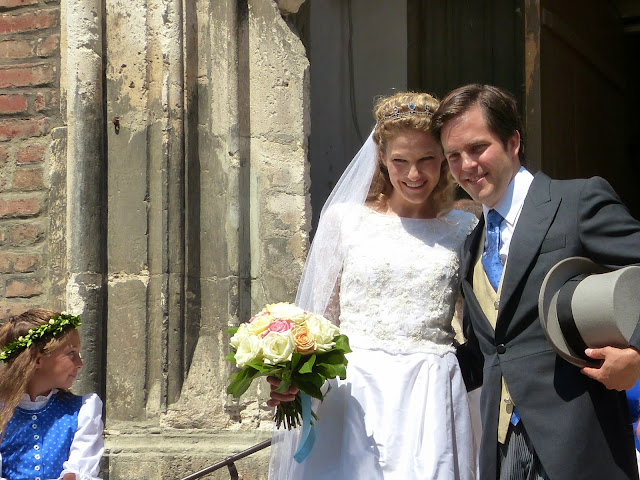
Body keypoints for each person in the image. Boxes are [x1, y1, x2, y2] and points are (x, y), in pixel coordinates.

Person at [430, 83, 640, 480]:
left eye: (477, 148)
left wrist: (638, 356)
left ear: (513, 142)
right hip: (501, 450)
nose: (466, 165)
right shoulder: (471, 245)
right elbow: (487, 351)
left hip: (580, 442)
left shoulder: (577, 201)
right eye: (453, 156)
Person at [267, 92, 479, 479]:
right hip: (354, 390)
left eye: (426, 159)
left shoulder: (464, 228)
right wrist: (291, 376)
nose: (413, 174)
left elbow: (478, 320)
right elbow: (321, 319)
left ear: (444, 158)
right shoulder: (346, 221)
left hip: (430, 391)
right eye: (400, 161)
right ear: (381, 157)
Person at [0, 308, 104, 480]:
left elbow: (78, 473)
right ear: (37, 359)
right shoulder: (3, 412)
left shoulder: (81, 411)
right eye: (71, 353)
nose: (80, 363)